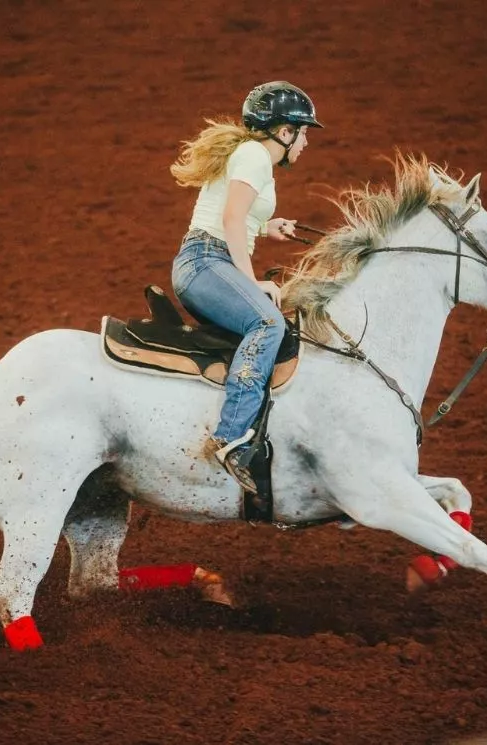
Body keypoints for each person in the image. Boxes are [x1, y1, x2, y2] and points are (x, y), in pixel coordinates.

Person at [169, 81, 323, 492]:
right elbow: (232, 221)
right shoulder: (255, 155)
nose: (305, 142)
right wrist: (252, 280)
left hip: (205, 259)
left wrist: (269, 226)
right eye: (303, 132)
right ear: (284, 131)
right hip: (207, 260)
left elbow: (241, 218)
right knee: (268, 324)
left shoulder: (253, 159)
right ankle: (232, 438)